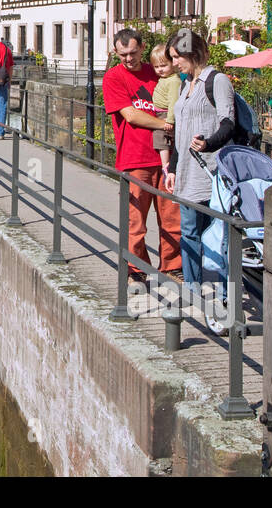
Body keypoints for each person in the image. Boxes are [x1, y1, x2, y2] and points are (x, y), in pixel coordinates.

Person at [164, 29, 236, 336]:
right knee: (189, 233)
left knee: (218, 239)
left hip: (211, 173)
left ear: (192, 54)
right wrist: (172, 167)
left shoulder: (216, 81)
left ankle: (222, 299)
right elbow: (181, 130)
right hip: (187, 174)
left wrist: (209, 143)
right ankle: (192, 290)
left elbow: (227, 122)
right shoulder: (185, 86)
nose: (174, 64)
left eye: (177, 58)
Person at [101, 28, 182, 284]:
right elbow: (131, 115)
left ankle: (172, 267)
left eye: (133, 53)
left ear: (142, 48)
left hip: (165, 158)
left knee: (172, 218)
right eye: (123, 54)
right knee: (135, 221)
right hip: (134, 159)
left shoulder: (157, 70)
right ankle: (136, 270)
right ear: (116, 52)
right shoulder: (113, 78)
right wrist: (166, 125)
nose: (128, 59)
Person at [149, 42, 182, 183]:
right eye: (156, 67)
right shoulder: (165, 79)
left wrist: (170, 120)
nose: (159, 70)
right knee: (162, 139)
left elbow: (174, 101)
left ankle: (166, 166)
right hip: (160, 112)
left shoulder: (173, 81)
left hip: (165, 114)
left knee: (161, 139)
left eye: (163, 66)